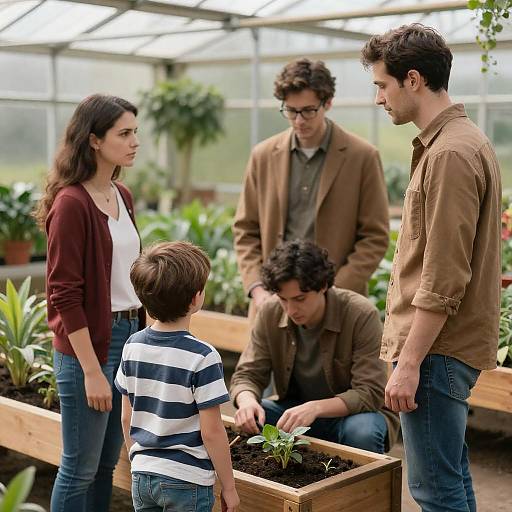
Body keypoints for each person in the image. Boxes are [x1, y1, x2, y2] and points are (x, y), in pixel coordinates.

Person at [361, 24, 501, 511]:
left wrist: (409, 364)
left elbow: (444, 276)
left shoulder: (451, 154)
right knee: (450, 476)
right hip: (439, 350)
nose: (379, 97)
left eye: (382, 84)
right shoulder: (458, 143)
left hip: (435, 350)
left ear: (413, 80)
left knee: (434, 490)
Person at [35, 94, 145, 512]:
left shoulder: (122, 195)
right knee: (78, 467)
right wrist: (91, 371)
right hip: (90, 348)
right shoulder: (71, 203)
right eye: (125, 133)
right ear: (95, 140)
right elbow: (64, 294)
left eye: (135, 131)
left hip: (128, 337)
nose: (135, 141)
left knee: (104, 465)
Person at [233, 57, 389, 314]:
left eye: (308, 110)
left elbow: (374, 237)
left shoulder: (362, 156)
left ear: (328, 103)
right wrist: (258, 289)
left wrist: (332, 291)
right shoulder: (262, 155)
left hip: (336, 306)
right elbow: (245, 229)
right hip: (272, 305)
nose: (299, 120)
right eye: (291, 111)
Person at [230, 240, 399, 454]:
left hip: (351, 417)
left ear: (323, 286)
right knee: (254, 417)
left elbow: (370, 392)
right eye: (283, 299)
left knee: (362, 432)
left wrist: (316, 408)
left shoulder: (360, 314)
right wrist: (246, 402)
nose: (291, 309)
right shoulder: (270, 312)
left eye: (300, 299)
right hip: (294, 410)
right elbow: (247, 375)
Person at [115, 241, 240, 512]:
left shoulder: (132, 346)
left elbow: (126, 416)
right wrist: (229, 487)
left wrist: (139, 460)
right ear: (196, 298)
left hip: (142, 475)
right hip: (187, 481)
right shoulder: (203, 356)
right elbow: (213, 431)